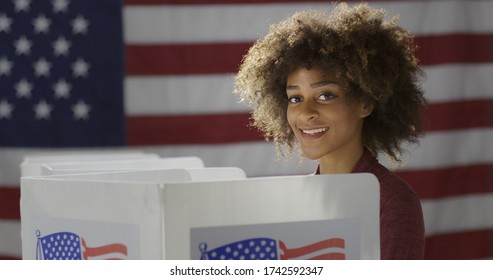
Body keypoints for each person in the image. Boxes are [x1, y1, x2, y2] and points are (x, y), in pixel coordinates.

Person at [233, 3, 426, 259]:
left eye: (326, 95)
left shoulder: (391, 202)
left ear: (366, 102)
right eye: (295, 98)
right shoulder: (288, 200)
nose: (305, 112)